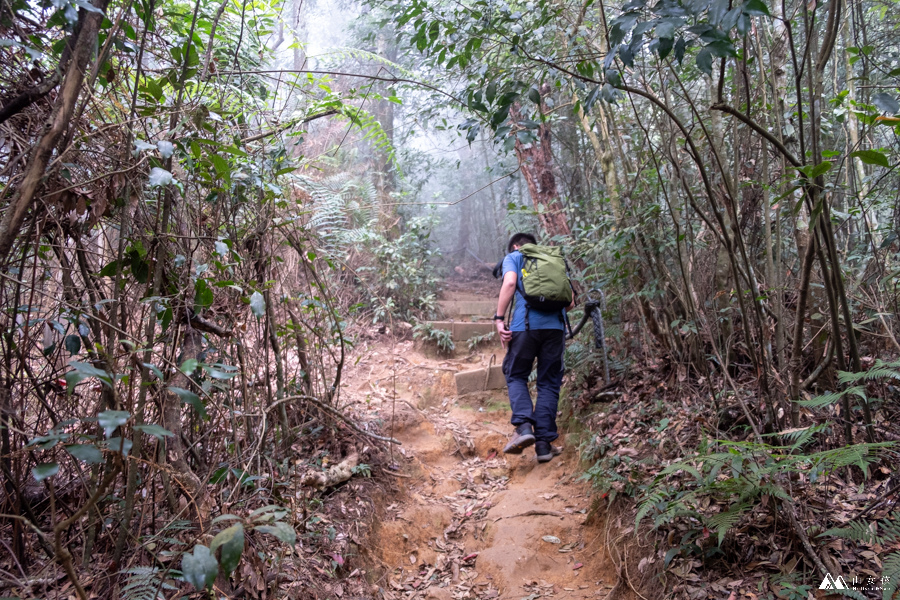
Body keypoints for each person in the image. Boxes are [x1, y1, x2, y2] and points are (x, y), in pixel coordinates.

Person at [494, 233, 571, 463]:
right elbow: (571, 301)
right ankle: (544, 445)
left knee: (516, 374)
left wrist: (499, 318)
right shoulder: (553, 260)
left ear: (516, 246)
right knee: (549, 383)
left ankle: (524, 427)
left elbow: (509, 282)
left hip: (524, 327)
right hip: (555, 328)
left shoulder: (515, 256)